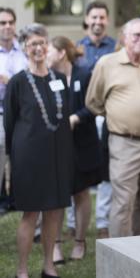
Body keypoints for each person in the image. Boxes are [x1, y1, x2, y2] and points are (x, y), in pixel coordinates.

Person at [86, 18, 140, 237]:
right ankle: (120, 258)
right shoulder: (107, 63)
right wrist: (118, 115)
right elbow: (93, 102)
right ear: (124, 37)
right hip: (124, 142)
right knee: (123, 202)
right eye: (137, 35)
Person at [3, 23, 73, 278]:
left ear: (48, 45)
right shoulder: (18, 83)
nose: (38, 48)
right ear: (24, 48)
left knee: (54, 212)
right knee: (30, 213)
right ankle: (22, 270)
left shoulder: (59, 80)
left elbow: (63, 118)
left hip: (58, 156)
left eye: (42, 42)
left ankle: (48, 266)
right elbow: (10, 122)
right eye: (32, 43)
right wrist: (13, 157)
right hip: (29, 157)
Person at [47, 36, 101, 262]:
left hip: (84, 144)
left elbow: (94, 105)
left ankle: (80, 241)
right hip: (58, 145)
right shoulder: (48, 78)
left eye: (49, 50)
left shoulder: (84, 74)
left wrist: (76, 118)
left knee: (81, 193)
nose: (45, 54)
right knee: (59, 195)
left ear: (61, 53)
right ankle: (56, 244)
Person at [76, 1, 116, 240]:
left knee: (105, 171)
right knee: (77, 169)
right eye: (94, 17)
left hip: (106, 117)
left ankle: (102, 221)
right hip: (81, 117)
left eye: (102, 17)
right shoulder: (77, 49)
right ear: (87, 19)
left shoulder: (116, 48)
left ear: (107, 20)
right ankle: (73, 224)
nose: (98, 22)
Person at [0, 7, 28, 214]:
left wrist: (8, 82)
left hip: (21, 113)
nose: (7, 26)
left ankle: (17, 199)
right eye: (2, 23)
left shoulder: (24, 52)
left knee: (19, 156)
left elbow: (26, 83)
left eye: (10, 22)